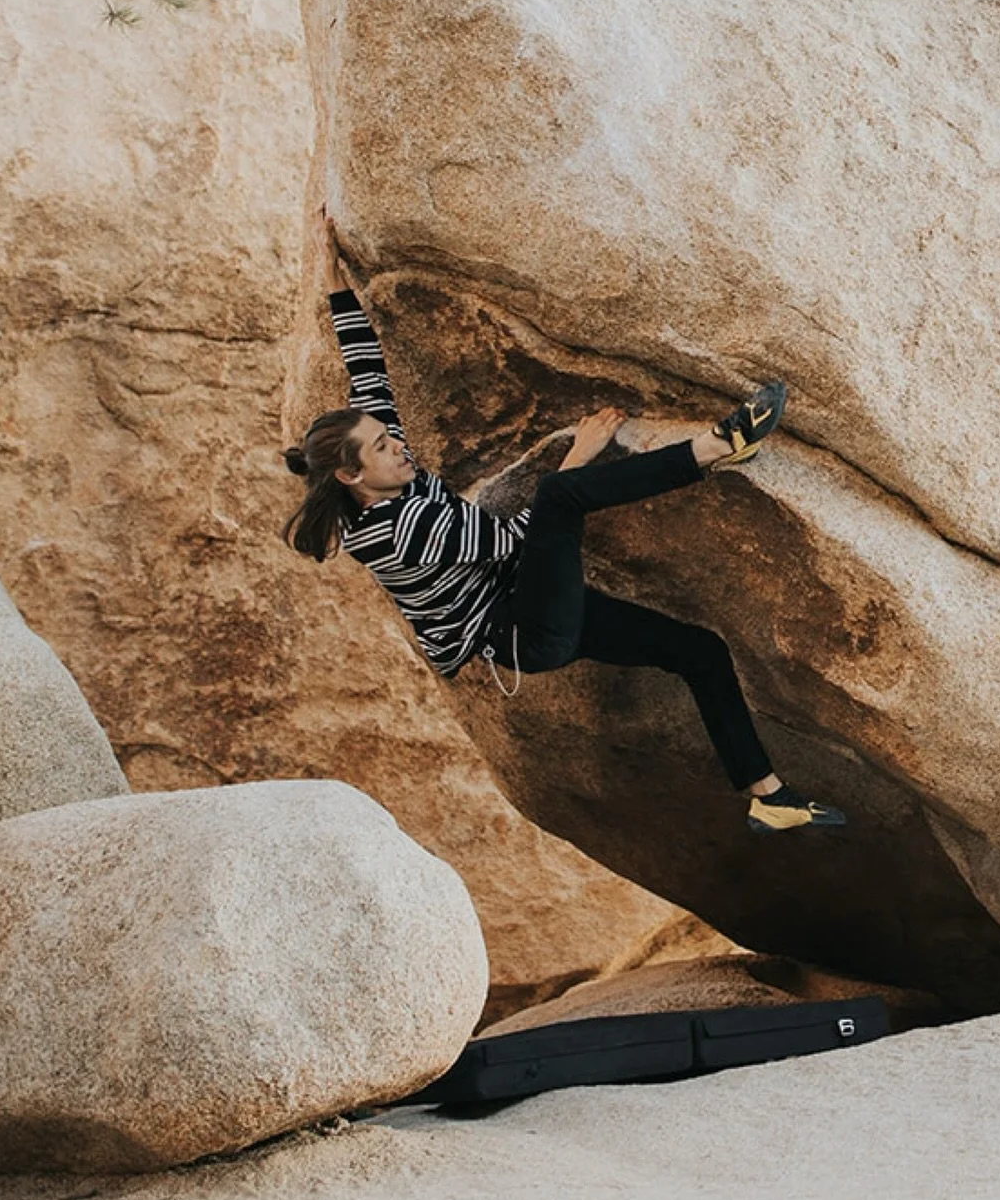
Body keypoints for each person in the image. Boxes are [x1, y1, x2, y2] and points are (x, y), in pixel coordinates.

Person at [283, 219, 846, 835]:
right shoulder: (398, 531)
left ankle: (768, 796)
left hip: (532, 597)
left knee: (698, 651)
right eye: (383, 448)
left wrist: (332, 280)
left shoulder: (382, 477)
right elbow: (514, 537)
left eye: (390, 438)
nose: (398, 448)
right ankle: (715, 448)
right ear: (349, 477)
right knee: (558, 492)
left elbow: (369, 373)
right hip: (527, 631)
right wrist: (582, 452)